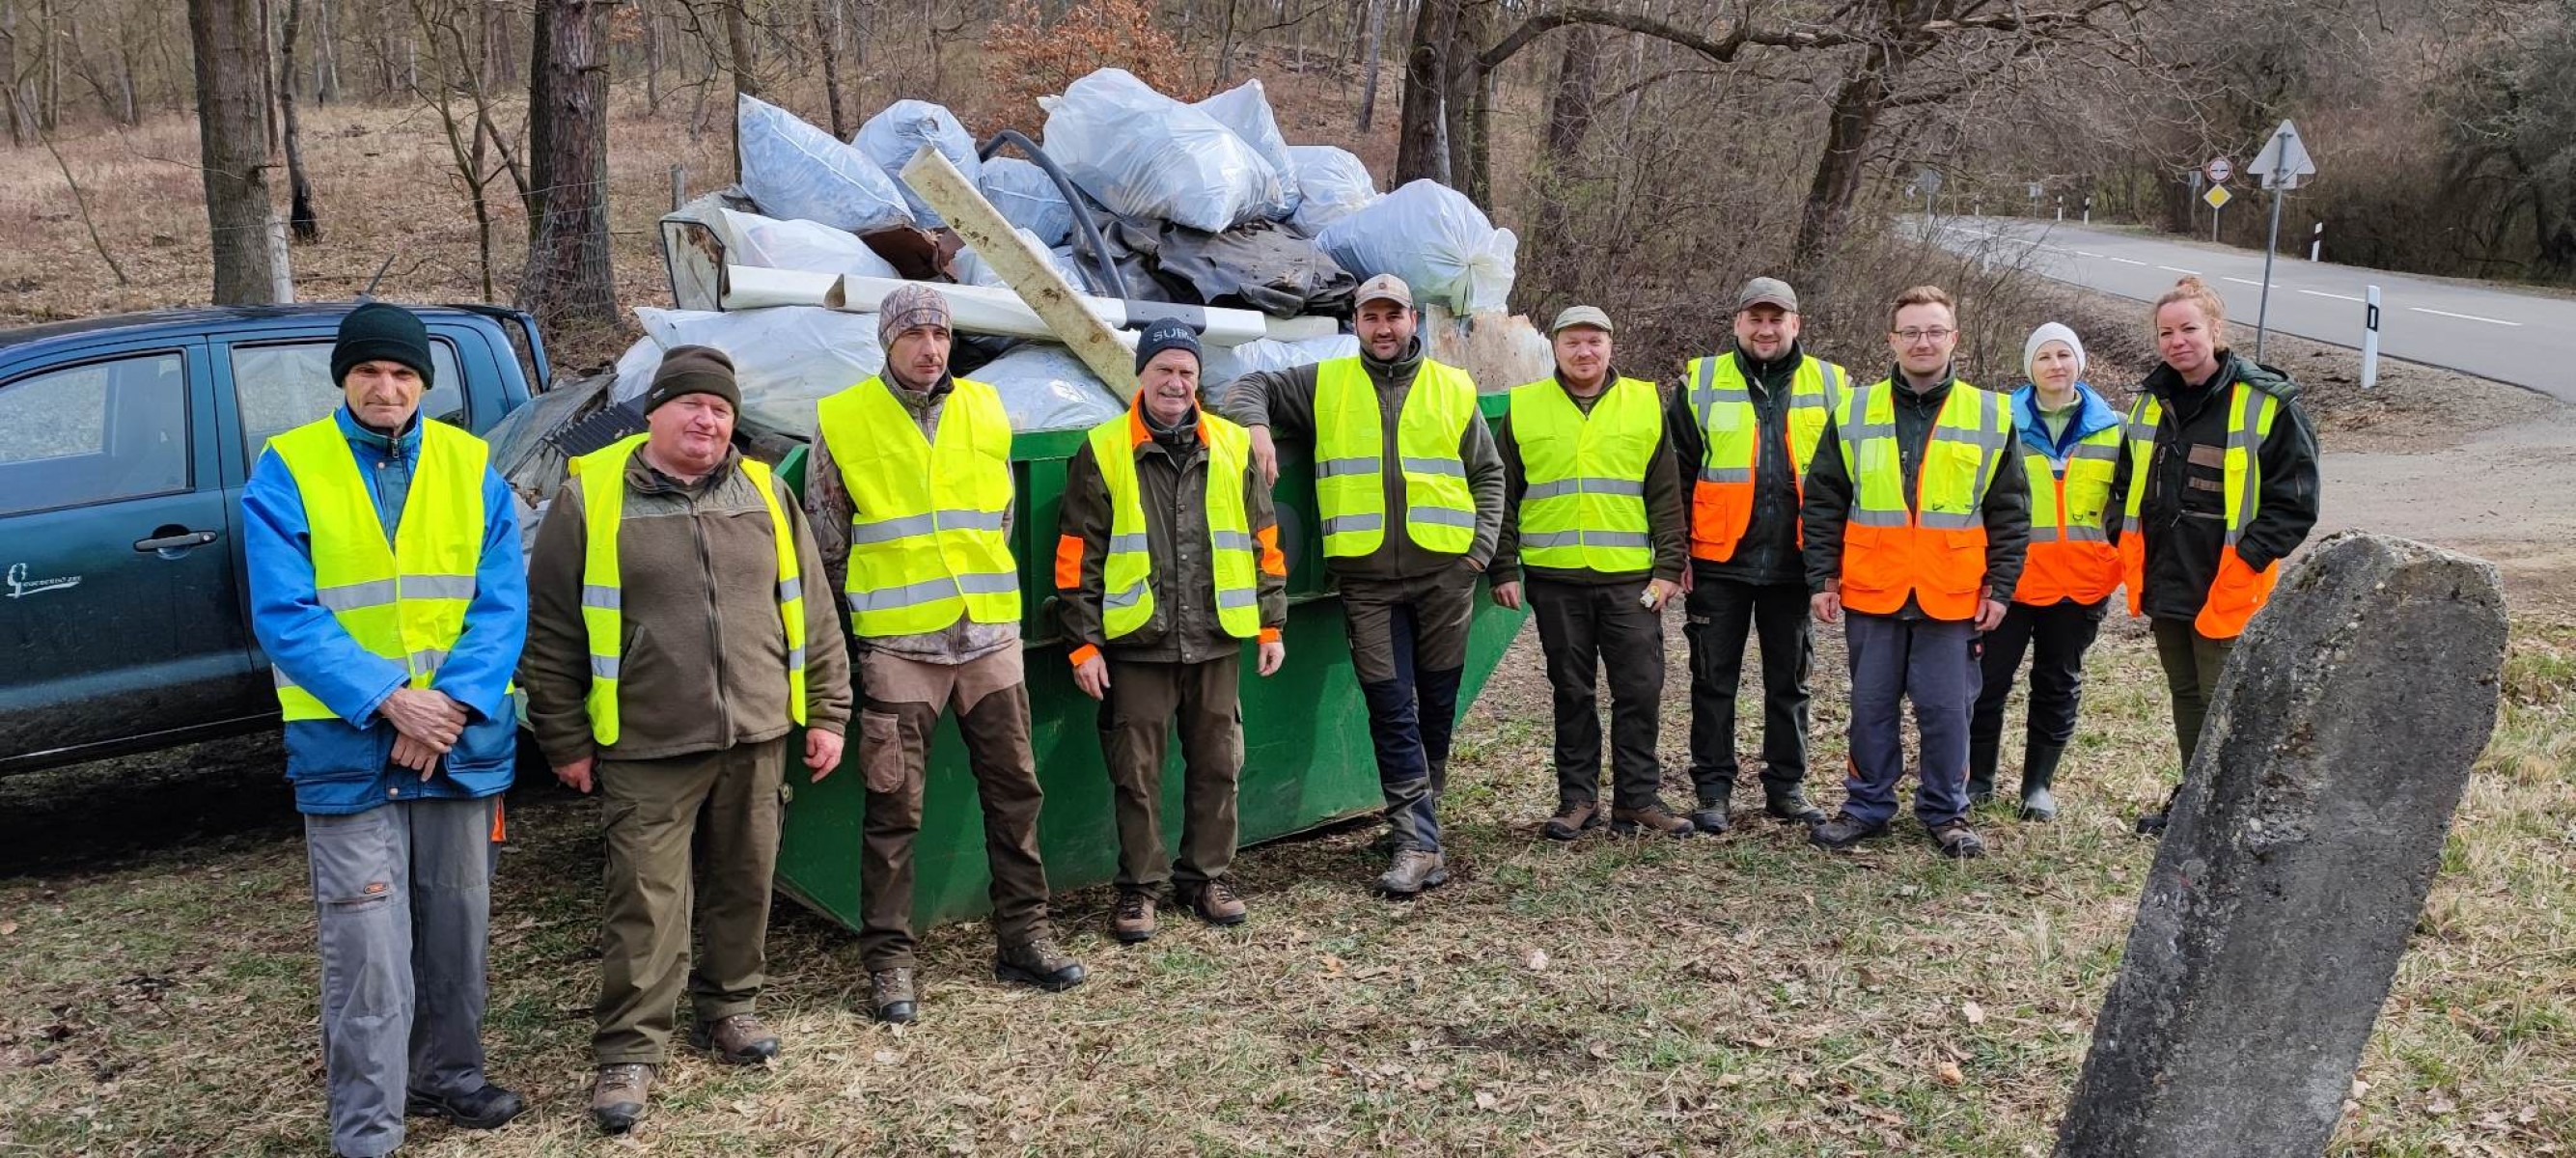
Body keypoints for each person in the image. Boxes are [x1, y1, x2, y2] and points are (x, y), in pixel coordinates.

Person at [520, 346, 853, 1133]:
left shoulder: (767, 492)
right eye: (691, 406)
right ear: (655, 412)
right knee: (645, 899)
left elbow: (810, 612)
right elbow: (553, 632)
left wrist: (830, 712)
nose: (707, 421)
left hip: (758, 729)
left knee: (746, 880)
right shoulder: (588, 496)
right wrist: (563, 736)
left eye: (722, 410)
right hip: (646, 740)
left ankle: (730, 1007)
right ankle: (628, 1053)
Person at [241, 302, 527, 1156]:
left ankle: (450, 1076)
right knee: (366, 948)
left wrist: (446, 708)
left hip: (456, 740)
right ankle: (368, 1128)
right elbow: (285, 614)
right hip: (349, 744)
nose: (386, 387)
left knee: (455, 926)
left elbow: (501, 602)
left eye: (403, 374)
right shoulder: (289, 467)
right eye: (369, 371)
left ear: (423, 383)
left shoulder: (471, 466)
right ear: (344, 378)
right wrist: (390, 699)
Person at [807, 284, 1085, 1024]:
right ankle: (890, 962)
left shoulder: (985, 409)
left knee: (1015, 791)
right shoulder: (842, 419)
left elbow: (996, 518)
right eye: (914, 335)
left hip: (988, 637)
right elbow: (826, 539)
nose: (930, 348)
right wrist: (865, 618)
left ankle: (1023, 935)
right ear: (887, 342)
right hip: (900, 648)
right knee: (894, 809)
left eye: (940, 334)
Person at [1223, 273, 1508, 897]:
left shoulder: (1451, 387)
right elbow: (1245, 385)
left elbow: (1488, 474)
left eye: (1394, 317)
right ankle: (1415, 842)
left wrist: (1477, 554)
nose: (1383, 328)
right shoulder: (1324, 383)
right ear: (1355, 323)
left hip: (1445, 577)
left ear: (1413, 321)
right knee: (1390, 706)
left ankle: (1419, 827)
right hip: (1367, 582)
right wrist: (1257, 426)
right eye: (1370, 317)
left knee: (1434, 705)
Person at [1055, 319, 1289, 942]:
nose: (1176, 382)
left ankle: (1206, 877)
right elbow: (1078, 557)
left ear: (1198, 379)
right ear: (1142, 375)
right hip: (1139, 644)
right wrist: (1083, 644)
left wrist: (1271, 625)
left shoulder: (1234, 446)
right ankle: (1138, 890)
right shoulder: (1104, 449)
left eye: (1187, 371)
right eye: (1164, 370)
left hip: (1216, 638)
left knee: (1218, 765)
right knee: (1136, 775)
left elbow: (1264, 542)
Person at [1801, 285, 2028, 859]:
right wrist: (1822, 575)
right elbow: (1825, 498)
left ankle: (1946, 813)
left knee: (1947, 712)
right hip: (1873, 588)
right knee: (1870, 707)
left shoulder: (1990, 413)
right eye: (1911, 332)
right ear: (1892, 340)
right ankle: (1866, 806)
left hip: (1952, 594)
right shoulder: (1853, 409)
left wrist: (2000, 587)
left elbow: (2010, 510)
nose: (1922, 341)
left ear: (1954, 338)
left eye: (1934, 331)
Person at [2110, 276, 2320, 835]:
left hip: (2225, 577)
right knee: (2186, 695)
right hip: (2164, 574)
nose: (2177, 341)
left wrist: (2249, 558)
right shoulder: (2150, 402)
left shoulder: (2265, 402)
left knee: (2225, 700)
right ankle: (2197, 804)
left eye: (2188, 329)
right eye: (2166, 332)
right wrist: (2118, 532)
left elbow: (2295, 501)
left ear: (2217, 331)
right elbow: (2124, 479)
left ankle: (2232, 810)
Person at [1489, 306, 1693, 840]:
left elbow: (1665, 494)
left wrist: (1670, 565)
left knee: (1641, 688)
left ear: (1611, 347)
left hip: (1631, 580)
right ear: (1555, 348)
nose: (1585, 353)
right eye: (1573, 343)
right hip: (1555, 578)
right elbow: (1504, 494)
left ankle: (1638, 799)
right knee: (1571, 690)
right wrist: (1503, 565)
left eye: (1594, 342)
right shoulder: (1526, 406)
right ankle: (1577, 799)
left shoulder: (1645, 403)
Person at [1666, 277, 1844, 832]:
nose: (1766, 330)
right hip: (1719, 561)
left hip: (1795, 564)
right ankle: (1713, 791)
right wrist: (1677, 555)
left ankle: (1786, 788)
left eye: (1777, 319)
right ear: (1738, 323)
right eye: (1755, 319)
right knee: (1712, 680)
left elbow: (1846, 482)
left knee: (1790, 681)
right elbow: (1676, 475)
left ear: (1796, 324)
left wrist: (1830, 564)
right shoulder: (1700, 383)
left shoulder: (1833, 386)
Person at [1967, 324, 2123, 822]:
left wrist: (2113, 555)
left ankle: (2038, 786)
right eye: (2044, 357)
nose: (2056, 365)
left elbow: (2130, 503)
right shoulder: (1997, 422)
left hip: (2081, 583)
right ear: (2029, 368)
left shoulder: (2116, 427)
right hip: (2010, 583)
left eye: (2065, 355)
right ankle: (1979, 780)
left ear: (2082, 363)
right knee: (1987, 683)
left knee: (2058, 682)